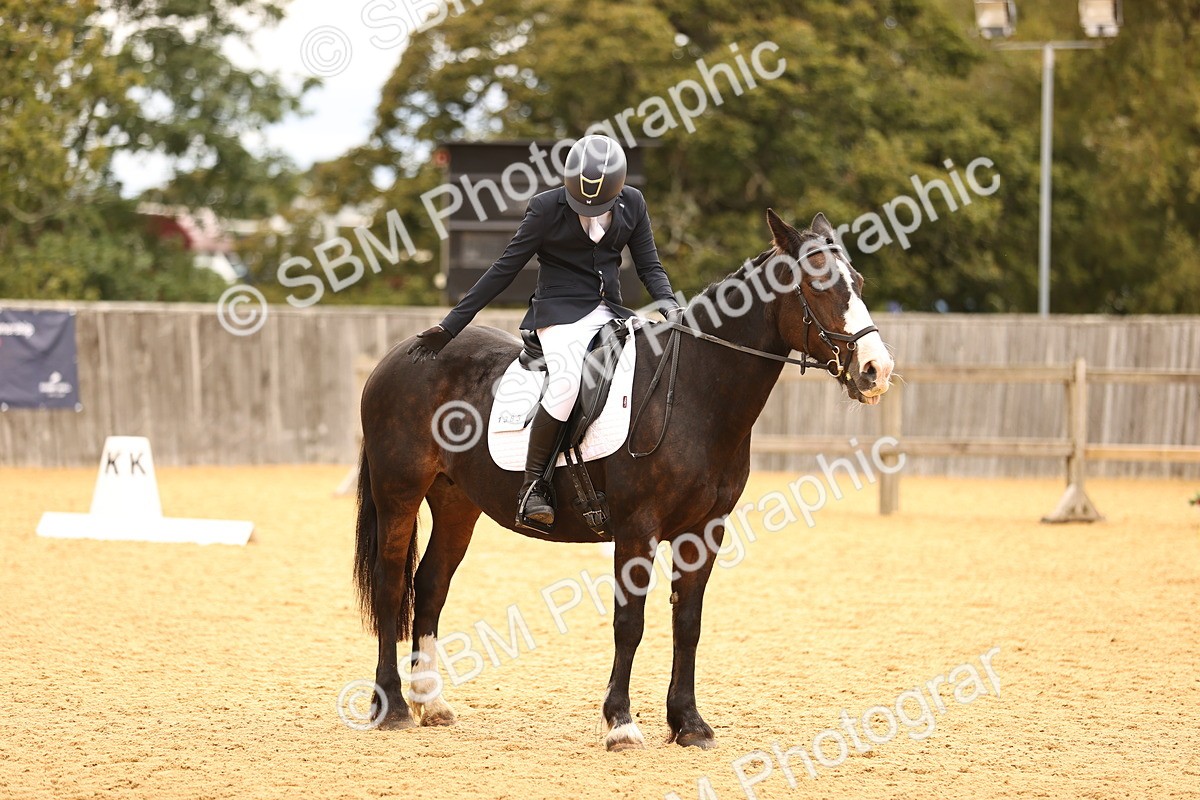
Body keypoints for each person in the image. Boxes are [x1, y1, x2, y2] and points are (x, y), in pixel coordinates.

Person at [408, 134, 683, 531]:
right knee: (569, 382)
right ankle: (533, 485)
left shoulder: (633, 203)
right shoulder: (545, 208)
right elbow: (503, 269)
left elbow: (650, 266)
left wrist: (670, 305)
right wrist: (451, 326)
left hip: (614, 313)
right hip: (559, 315)